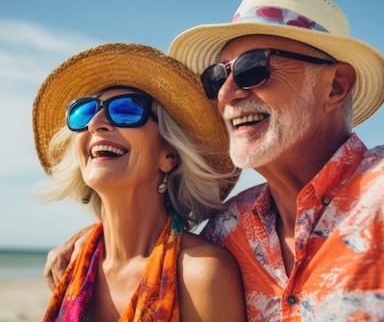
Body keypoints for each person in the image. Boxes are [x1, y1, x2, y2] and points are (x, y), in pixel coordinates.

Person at [44, 0, 384, 321]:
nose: (226, 93)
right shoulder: (229, 229)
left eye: (252, 69)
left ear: (336, 85)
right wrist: (91, 236)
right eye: (216, 77)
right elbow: (154, 231)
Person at [32, 43, 246, 321]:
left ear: (169, 155)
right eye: (84, 112)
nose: (96, 123)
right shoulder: (72, 264)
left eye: (126, 111)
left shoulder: (202, 274)